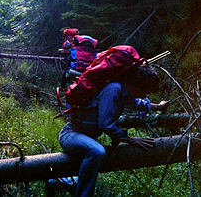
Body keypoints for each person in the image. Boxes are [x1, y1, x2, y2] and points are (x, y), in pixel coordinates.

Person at [58, 64, 168, 196]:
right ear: (136, 85)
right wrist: (129, 139)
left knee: (92, 154)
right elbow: (106, 124)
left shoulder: (123, 91)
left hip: (84, 137)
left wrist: (158, 107)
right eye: (144, 92)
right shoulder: (114, 89)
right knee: (96, 151)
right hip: (71, 134)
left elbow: (138, 103)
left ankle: (56, 181)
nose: (144, 95)